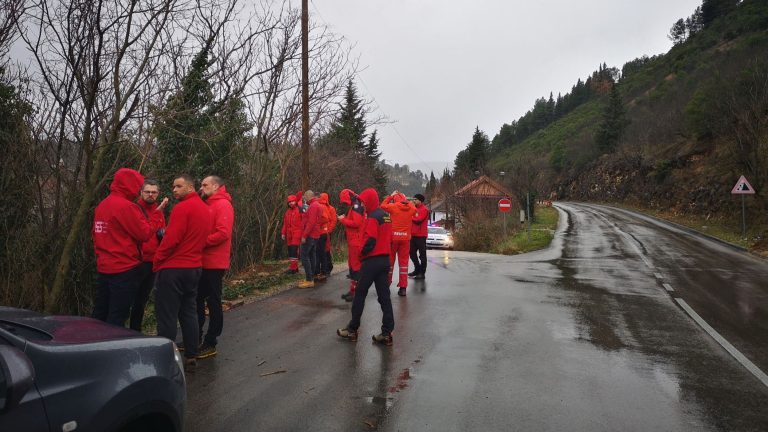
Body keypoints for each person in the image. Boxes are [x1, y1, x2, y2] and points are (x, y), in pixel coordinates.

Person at [92, 168, 166, 328]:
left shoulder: (102, 205)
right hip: (123, 268)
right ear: (130, 186)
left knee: (100, 311)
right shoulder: (126, 207)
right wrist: (156, 216)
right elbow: (145, 233)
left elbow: (96, 235)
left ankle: (94, 343)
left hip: (104, 266)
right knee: (117, 315)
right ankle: (112, 348)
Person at [153, 174, 212, 371]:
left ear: (190, 187)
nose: (174, 190)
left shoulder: (182, 209)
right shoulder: (205, 209)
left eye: (178, 186)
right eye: (173, 186)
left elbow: (171, 239)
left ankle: (165, 359)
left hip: (173, 269)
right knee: (189, 312)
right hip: (194, 267)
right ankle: (192, 354)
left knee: (167, 316)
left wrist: (157, 260)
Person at [337, 188, 395, 346]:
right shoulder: (386, 216)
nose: (362, 203)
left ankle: (352, 330)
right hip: (384, 260)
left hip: (371, 262)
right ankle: (387, 333)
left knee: (359, 295)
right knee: (384, 298)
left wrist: (362, 255)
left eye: (364, 200)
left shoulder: (372, 217)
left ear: (369, 200)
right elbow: (389, 238)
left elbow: (370, 240)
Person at [196, 175, 234, 359]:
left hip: (214, 262)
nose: (201, 188)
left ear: (216, 186)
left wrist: (199, 242)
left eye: (205, 185)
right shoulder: (207, 203)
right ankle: (195, 337)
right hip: (201, 261)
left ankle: (211, 342)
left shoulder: (223, 205)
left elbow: (223, 233)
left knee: (213, 301)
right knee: (196, 299)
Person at [130, 179, 168, 331]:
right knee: (131, 299)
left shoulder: (158, 211)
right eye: (147, 191)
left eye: (154, 192)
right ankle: (126, 332)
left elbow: (162, 231)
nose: (151, 195)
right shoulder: (135, 209)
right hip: (137, 260)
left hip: (153, 261)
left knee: (142, 299)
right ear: (141, 192)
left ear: (158, 194)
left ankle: (136, 330)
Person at [380, 191, 416, 297]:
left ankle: (387, 285)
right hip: (405, 240)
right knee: (404, 264)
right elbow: (414, 208)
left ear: (395, 200)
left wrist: (390, 196)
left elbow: (382, 205)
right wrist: (406, 201)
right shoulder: (411, 208)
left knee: (390, 263)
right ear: (405, 199)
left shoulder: (393, 207)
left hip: (393, 239)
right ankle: (403, 288)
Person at [338, 189, 365, 302]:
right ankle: (353, 291)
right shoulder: (356, 205)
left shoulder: (356, 207)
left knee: (355, 268)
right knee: (353, 267)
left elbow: (356, 223)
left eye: (345, 201)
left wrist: (343, 220)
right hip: (354, 241)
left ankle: (355, 293)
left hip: (356, 242)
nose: (345, 203)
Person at [299, 190, 323, 288]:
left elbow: (311, 222)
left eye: (305, 196)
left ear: (309, 196)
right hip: (316, 234)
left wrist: (304, 235)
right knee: (312, 255)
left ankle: (309, 279)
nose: (304, 197)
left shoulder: (313, 206)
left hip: (310, 235)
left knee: (304, 256)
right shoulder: (318, 205)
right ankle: (311, 277)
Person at [409, 193, 430, 279]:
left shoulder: (424, 209)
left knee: (422, 255)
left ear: (420, 201)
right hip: (412, 235)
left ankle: (422, 273)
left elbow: (418, 220)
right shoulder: (413, 208)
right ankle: (417, 269)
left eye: (415, 199)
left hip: (421, 235)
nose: (413, 201)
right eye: (413, 199)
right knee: (411, 253)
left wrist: (410, 217)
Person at [281, 194, 302, 274]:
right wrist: (283, 233)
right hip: (289, 234)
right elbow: (285, 224)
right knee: (290, 251)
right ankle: (294, 268)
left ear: (295, 201)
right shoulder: (287, 212)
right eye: (289, 202)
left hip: (297, 233)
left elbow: (303, 222)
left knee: (294, 251)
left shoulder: (299, 210)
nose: (291, 203)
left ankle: (293, 268)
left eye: (292, 201)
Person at [320, 192, 337, 276]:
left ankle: (328, 267)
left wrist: (329, 230)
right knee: (325, 250)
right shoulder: (330, 208)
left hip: (325, 232)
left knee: (325, 250)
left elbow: (333, 221)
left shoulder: (331, 209)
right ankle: (326, 268)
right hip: (324, 232)